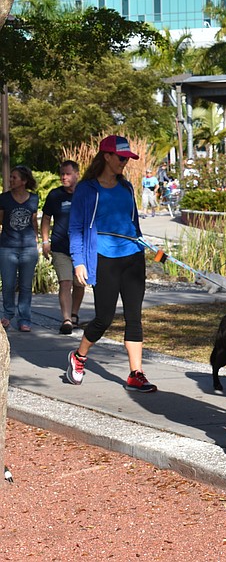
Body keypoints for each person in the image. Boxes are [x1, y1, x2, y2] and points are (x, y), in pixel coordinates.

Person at [65, 135, 156, 393]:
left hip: (132, 257)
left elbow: (132, 223)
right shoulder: (87, 189)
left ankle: (135, 374)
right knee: (103, 318)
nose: (125, 162)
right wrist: (79, 262)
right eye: (121, 157)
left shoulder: (126, 187)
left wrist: (144, 245)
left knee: (134, 317)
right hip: (103, 258)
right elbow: (75, 228)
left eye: (127, 158)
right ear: (106, 156)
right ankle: (79, 357)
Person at [41, 160, 86, 335]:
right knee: (65, 282)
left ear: (76, 174)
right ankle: (66, 319)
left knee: (79, 283)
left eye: (67, 174)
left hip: (81, 247)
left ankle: (74, 314)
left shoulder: (84, 194)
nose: (64, 177)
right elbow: (46, 219)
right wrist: (45, 241)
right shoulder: (55, 195)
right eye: (62, 174)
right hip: (60, 246)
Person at [0, 165, 40, 332]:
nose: (10, 180)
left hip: (28, 248)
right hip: (7, 247)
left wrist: (37, 241)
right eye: (11, 177)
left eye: (14, 177)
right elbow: (1, 221)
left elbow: (33, 222)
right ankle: (8, 314)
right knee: (8, 284)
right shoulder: (3, 198)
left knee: (25, 285)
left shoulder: (33, 199)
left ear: (24, 181)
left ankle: (25, 319)